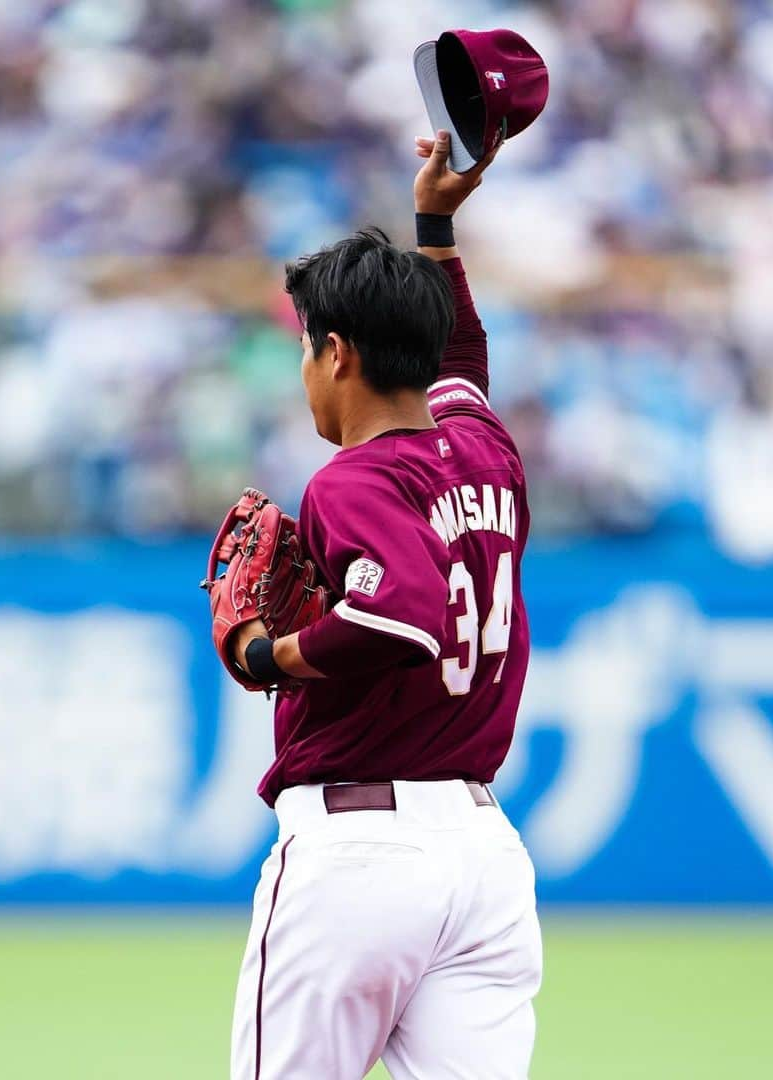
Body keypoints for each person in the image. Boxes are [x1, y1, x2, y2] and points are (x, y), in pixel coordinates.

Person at [227, 130, 542, 1079]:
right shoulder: (485, 446)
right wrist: (436, 225)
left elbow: (398, 612)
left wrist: (266, 657)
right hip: (483, 861)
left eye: (306, 351)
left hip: (358, 856)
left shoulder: (353, 483)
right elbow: (464, 360)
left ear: (336, 352)